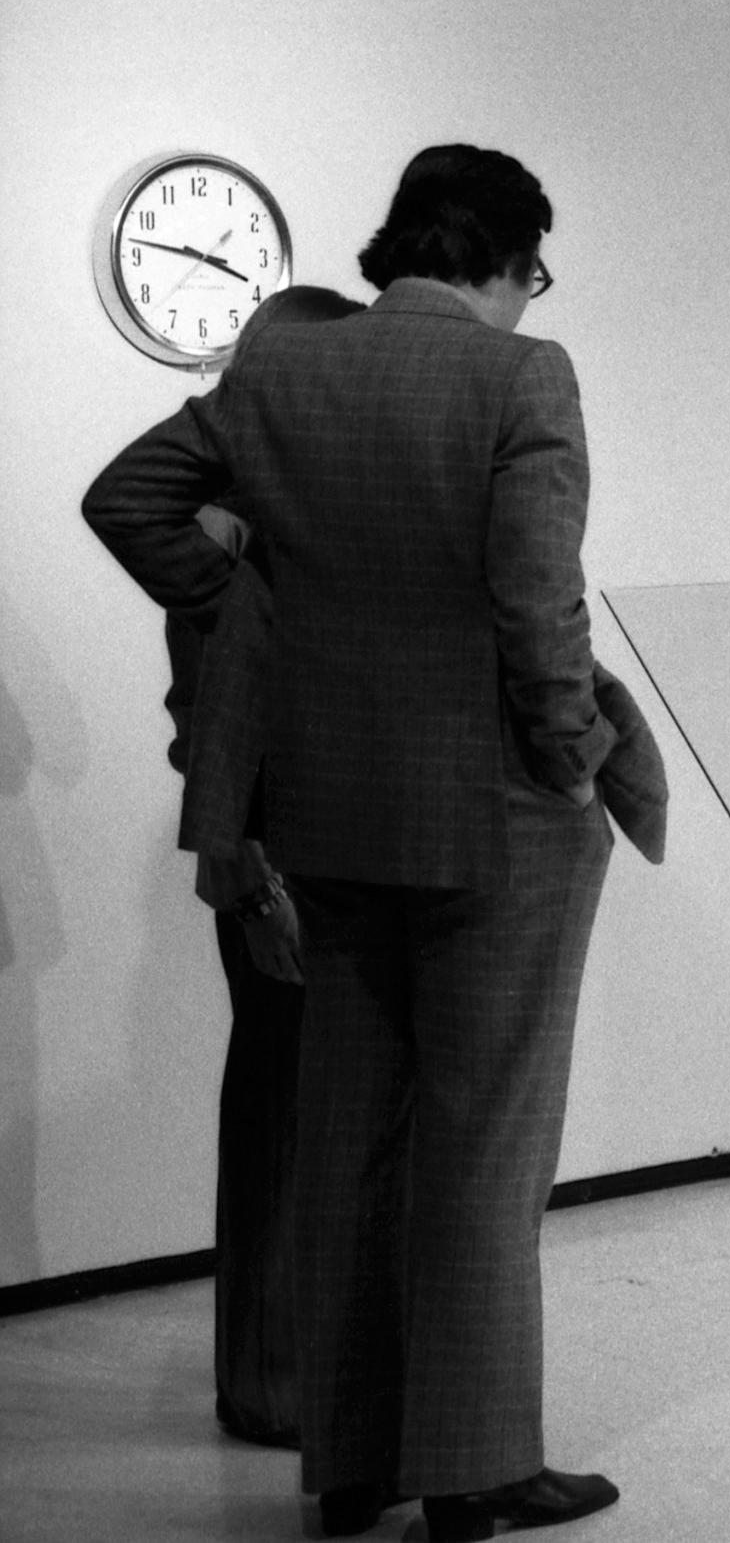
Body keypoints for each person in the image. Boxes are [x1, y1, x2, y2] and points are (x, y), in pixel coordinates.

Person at [83, 146, 647, 1540]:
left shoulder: (277, 371)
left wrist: (260, 611)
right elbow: (537, 604)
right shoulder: (524, 377)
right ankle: (474, 1472)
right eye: (535, 274)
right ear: (508, 258)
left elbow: (125, 498)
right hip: (495, 820)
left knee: (346, 1140)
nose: (534, 298)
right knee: (483, 1148)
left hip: (332, 819)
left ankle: (349, 1463)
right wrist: (576, 759)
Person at [160, 285, 365, 1451]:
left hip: (274, 839)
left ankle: (279, 1372)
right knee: (286, 1111)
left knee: (287, 1105)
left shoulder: (244, 517)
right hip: (270, 844)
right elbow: (224, 709)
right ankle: (271, 1382)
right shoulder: (224, 524)